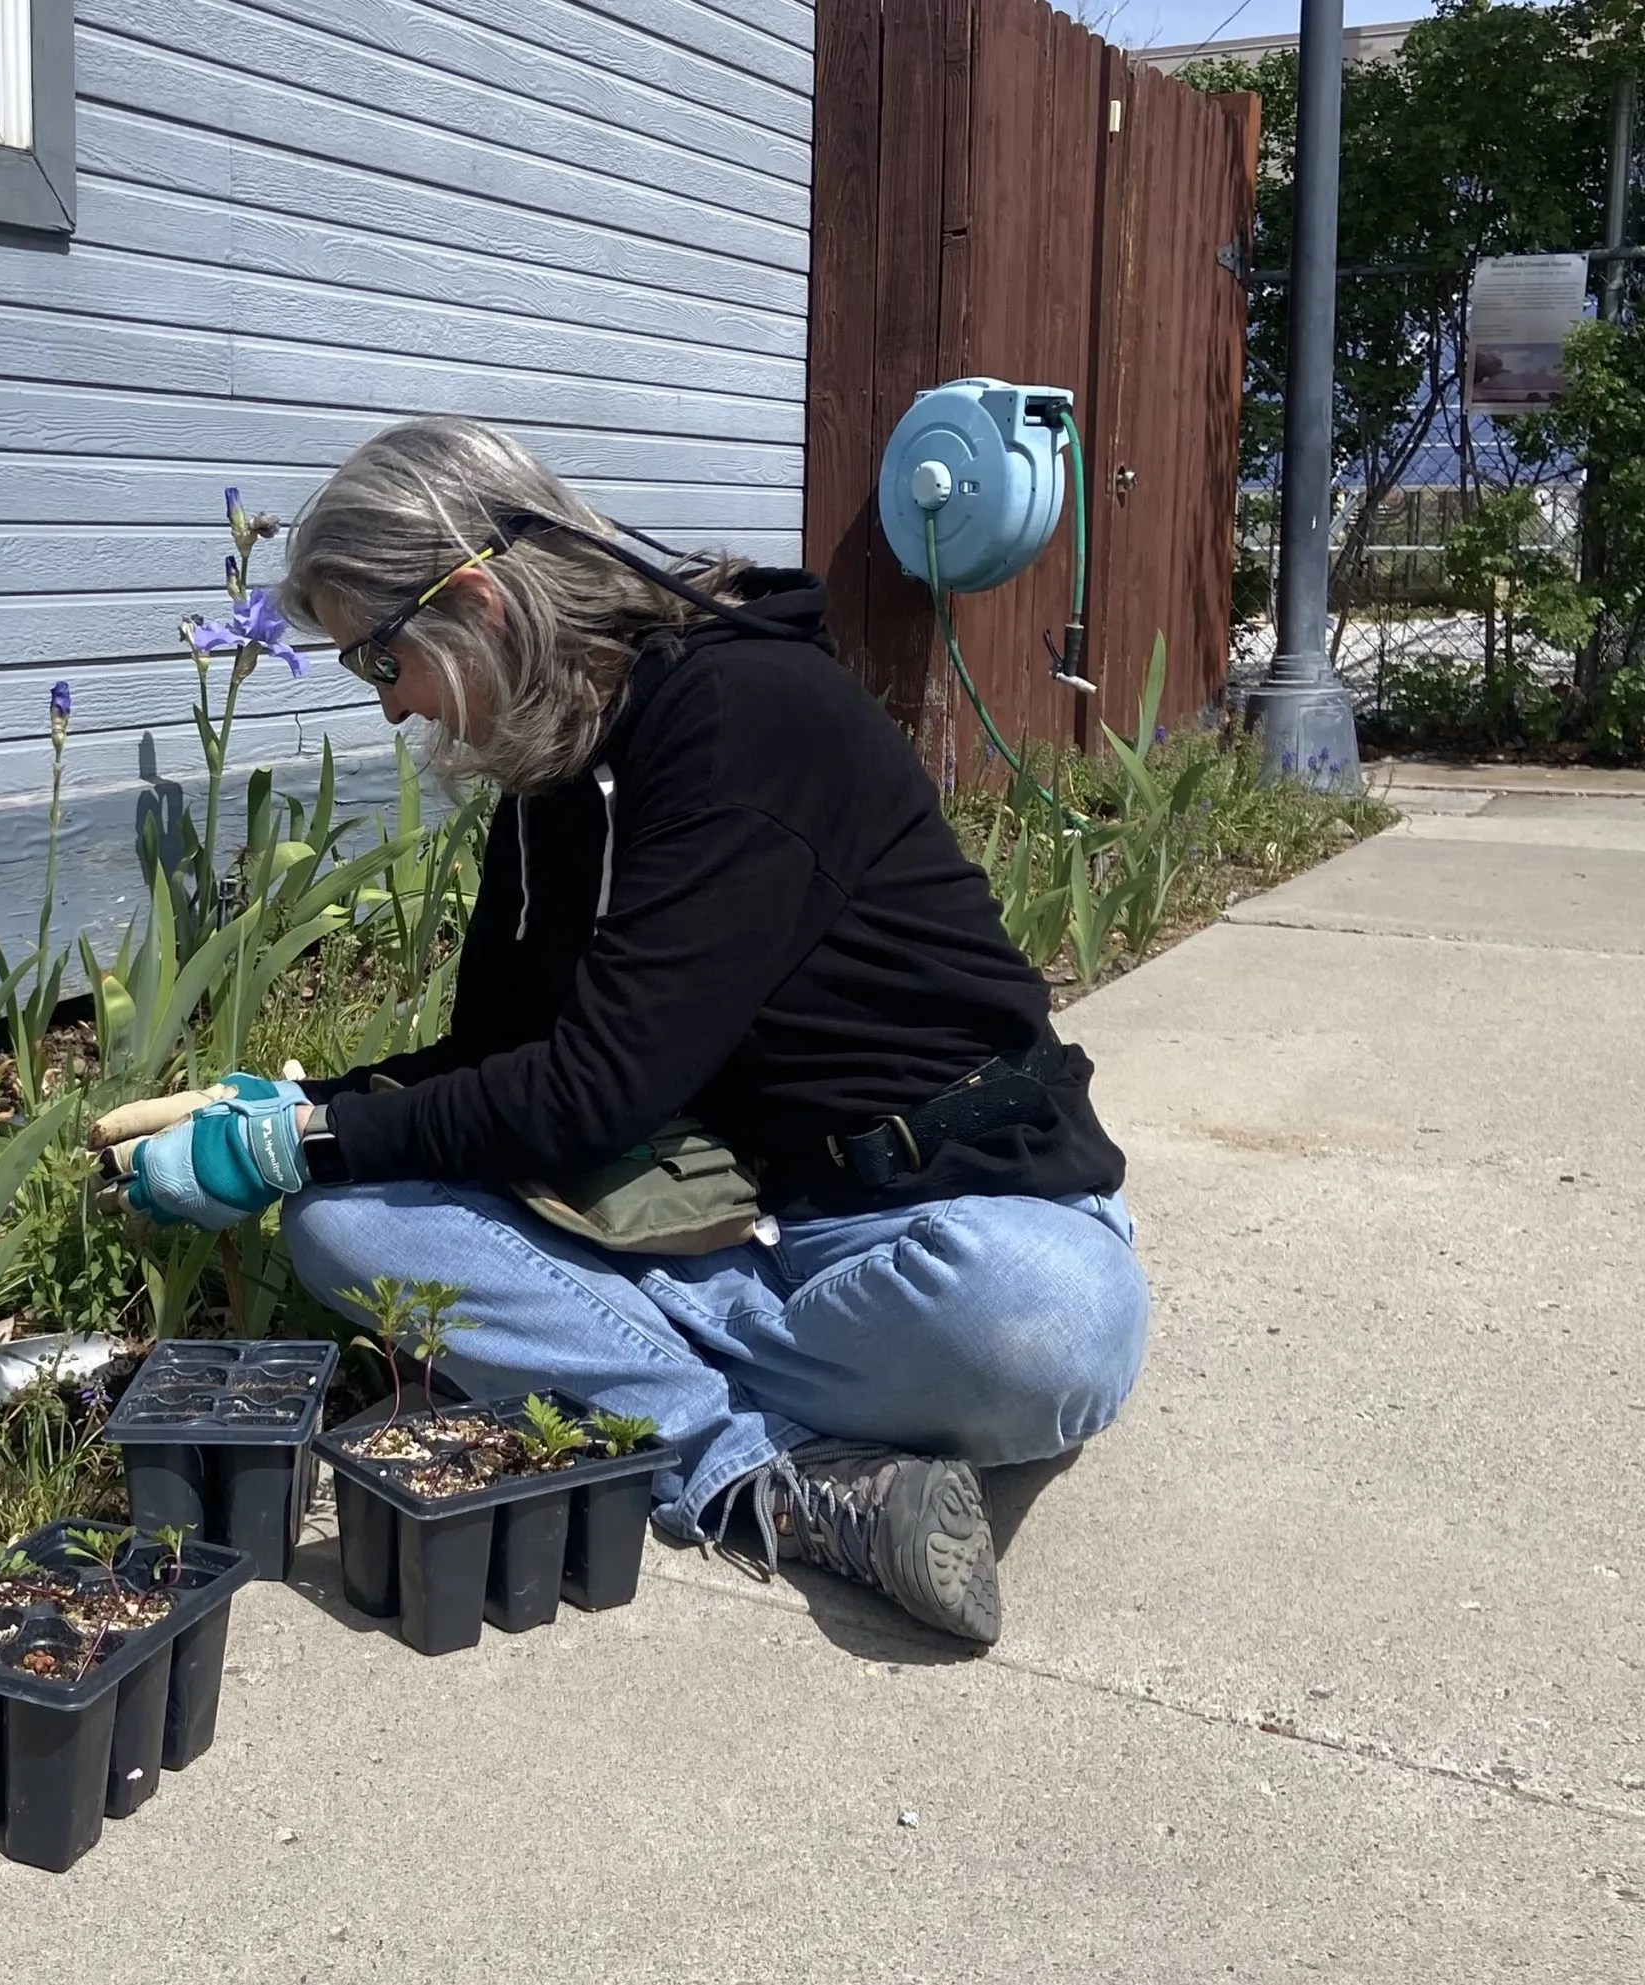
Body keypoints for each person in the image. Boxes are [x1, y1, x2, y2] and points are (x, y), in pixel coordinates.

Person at [98, 417, 1149, 1646]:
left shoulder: (748, 713)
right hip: (748, 1239)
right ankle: (775, 1478)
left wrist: (300, 1138)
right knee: (344, 1218)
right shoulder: (552, 785)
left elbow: (593, 1092)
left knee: (1040, 1322)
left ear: (476, 601)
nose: (390, 711)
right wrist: (294, 1111)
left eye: (379, 661)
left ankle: (664, 1403)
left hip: (951, 1224)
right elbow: (502, 1058)